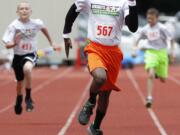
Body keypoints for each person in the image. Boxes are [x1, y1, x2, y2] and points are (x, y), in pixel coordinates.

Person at [63, 0, 138, 134]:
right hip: (95, 48)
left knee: (105, 94)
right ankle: (90, 103)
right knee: (100, 78)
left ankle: (95, 127)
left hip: (113, 53)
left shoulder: (124, 3)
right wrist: (66, 34)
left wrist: (132, 4)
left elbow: (133, 27)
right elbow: (73, 10)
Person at [2, 1, 59, 115]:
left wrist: (52, 42)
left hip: (31, 54)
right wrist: (14, 43)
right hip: (18, 55)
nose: (24, 10)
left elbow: (44, 29)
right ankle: (19, 100)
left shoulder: (36, 23)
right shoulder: (13, 26)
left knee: (27, 69)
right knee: (19, 83)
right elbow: (6, 44)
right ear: (17, 11)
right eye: (21, 9)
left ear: (30, 11)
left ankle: (28, 97)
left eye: (26, 9)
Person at [132, 8, 175, 108]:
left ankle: (157, 74)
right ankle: (149, 98)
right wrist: (134, 50)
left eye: (152, 19)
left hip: (162, 53)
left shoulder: (162, 28)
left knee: (163, 79)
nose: (150, 21)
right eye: (148, 19)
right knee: (150, 74)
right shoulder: (145, 28)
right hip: (151, 52)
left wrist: (172, 53)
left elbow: (171, 40)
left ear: (157, 18)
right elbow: (136, 39)